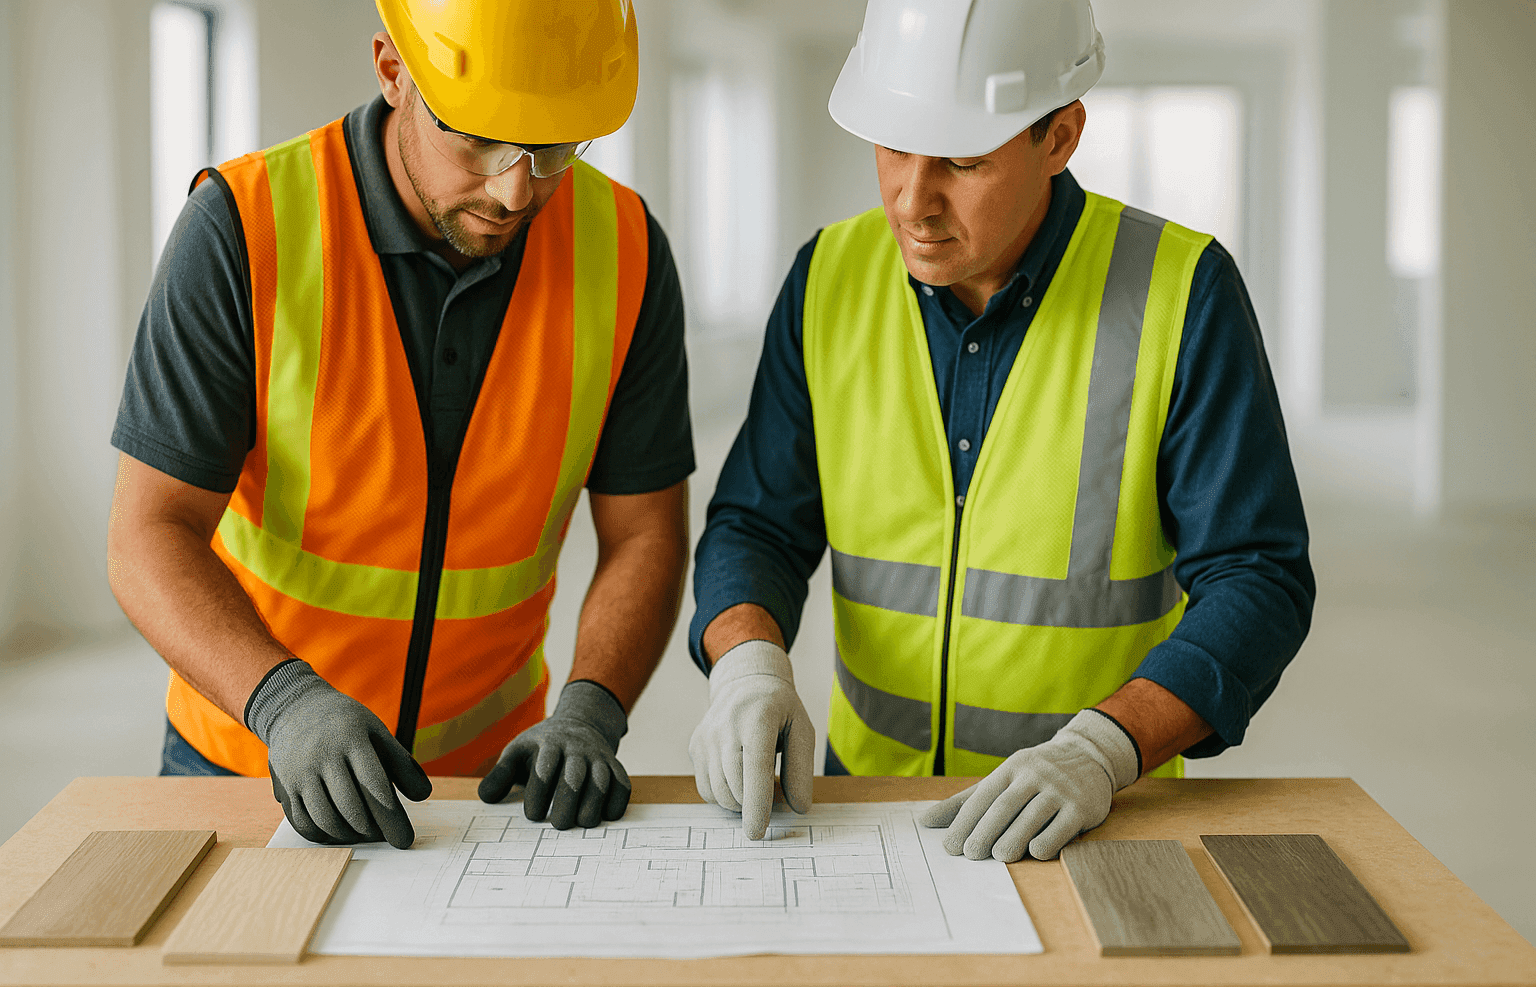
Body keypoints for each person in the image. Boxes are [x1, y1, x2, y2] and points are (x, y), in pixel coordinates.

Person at [687, 0, 1314, 860]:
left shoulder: (1182, 293)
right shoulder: (828, 278)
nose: (914, 200)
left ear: (1058, 137)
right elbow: (756, 524)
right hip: (865, 812)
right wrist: (745, 665)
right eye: (894, 146)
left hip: (1092, 820)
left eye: (962, 161)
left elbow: (1259, 578)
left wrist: (1103, 749)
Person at [107, 0, 693, 849]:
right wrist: (283, 702)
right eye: (477, 137)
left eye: (554, 147)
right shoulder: (245, 226)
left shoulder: (627, 248)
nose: (515, 188)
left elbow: (645, 532)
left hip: (491, 788)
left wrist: (593, 706)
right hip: (250, 756)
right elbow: (147, 533)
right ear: (392, 71)